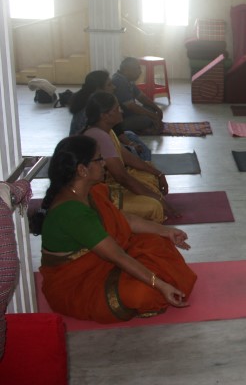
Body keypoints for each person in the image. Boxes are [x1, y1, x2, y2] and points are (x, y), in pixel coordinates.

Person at [29, 135, 196, 323]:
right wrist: (160, 285)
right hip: (78, 284)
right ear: (82, 170)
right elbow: (118, 256)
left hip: (102, 259)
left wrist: (167, 231)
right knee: (143, 293)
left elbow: (125, 220)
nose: (104, 164)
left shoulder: (89, 191)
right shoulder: (72, 213)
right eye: (99, 159)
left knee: (157, 242)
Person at [83, 91, 176, 223]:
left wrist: (159, 174)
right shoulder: (100, 136)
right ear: (105, 115)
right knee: (154, 206)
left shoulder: (107, 131)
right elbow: (122, 178)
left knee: (149, 173)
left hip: (111, 185)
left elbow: (127, 157)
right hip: (101, 196)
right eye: (117, 109)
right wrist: (159, 200)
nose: (121, 111)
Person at [69, 70, 151, 161]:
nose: (114, 87)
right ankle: (145, 165)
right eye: (109, 85)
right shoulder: (89, 109)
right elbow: (101, 142)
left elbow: (115, 130)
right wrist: (131, 148)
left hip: (100, 142)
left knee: (130, 135)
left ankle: (145, 164)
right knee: (140, 152)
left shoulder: (97, 102)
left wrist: (130, 143)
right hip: (88, 153)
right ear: (98, 89)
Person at [112, 57, 164, 135]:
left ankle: (143, 127)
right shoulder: (119, 81)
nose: (140, 71)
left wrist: (157, 109)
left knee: (151, 108)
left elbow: (141, 97)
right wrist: (153, 116)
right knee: (147, 119)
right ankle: (140, 128)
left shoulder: (128, 79)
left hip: (131, 114)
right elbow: (132, 106)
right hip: (122, 120)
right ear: (126, 70)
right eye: (137, 68)